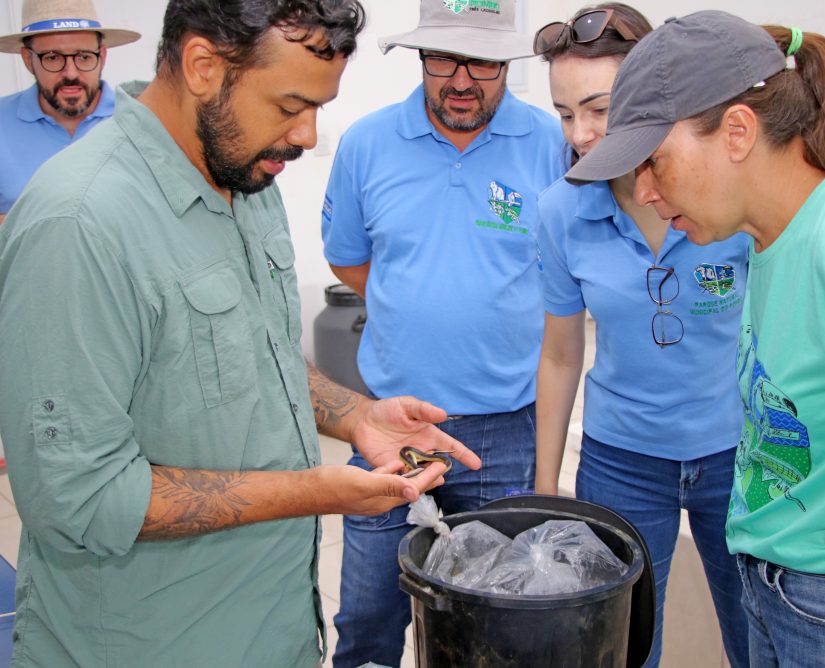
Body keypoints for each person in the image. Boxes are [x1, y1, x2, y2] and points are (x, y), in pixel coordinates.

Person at [0, 1, 484, 666]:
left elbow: (259, 357)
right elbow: (79, 501)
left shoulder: (247, 178)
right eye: (289, 105)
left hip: (273, 629)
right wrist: (317, 490)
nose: (308, 136)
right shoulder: (79, 224)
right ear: (202, 66)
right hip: (152, 644)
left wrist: (359, 416)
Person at [568, 10, 825, 667]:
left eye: (655, 161)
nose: (642, 191)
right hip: (782, 585)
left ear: (736, 131)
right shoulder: (768, 235)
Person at [320, 0, 563, 664]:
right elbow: (348, 257)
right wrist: (415, 300)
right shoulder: (368, 142)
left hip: (506, 430)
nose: (461, 79)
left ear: (508, 63)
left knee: (497, 619)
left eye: (482, 62)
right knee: (369, 616)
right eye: (442, 59)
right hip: (390, 425)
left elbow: (567, 274)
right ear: (419, 58)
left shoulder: (549, 141)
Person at [533, 5, 749, 666]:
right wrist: (547, 484)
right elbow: (561, 354)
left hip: (737, 454)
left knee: (756, 631)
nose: (582, 133)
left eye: (599, 108)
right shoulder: (562, 211)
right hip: (622, 460)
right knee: (622, 644)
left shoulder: (733, 195)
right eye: (565, 113)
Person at [0, 0, 140, 224]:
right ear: (28, 60)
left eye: (84, 56)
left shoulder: (140, 120)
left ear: (102, 56)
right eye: (53, 58)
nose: (71, 73)